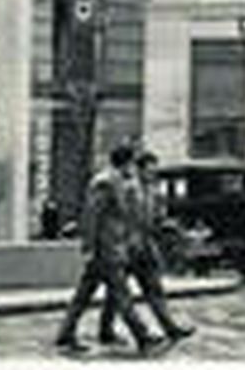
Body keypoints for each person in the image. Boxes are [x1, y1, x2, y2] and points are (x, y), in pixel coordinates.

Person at [53, 143, 167, 355]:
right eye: (132, 163)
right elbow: (91, 216)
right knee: (121, 294)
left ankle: (65, 334)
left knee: (84, 295)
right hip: (106, 249)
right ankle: (142, 335)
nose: (134, 168)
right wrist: (89, 246)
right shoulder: (105, 182)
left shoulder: (118, 182)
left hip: (113, 247)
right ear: (125, 162)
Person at [98, 150, 193, 346]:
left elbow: (156, 218)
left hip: (145, 247)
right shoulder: (128, 188)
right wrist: (119, 244)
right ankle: (107, 331)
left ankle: (170, 328)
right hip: (126, 247)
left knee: (154, 290)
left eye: (154, 171)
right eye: (149, 171)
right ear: (138, 169)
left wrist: (168, 226)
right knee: (117, 294)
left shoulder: (154, 190)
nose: (152, 174)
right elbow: (121, 217)